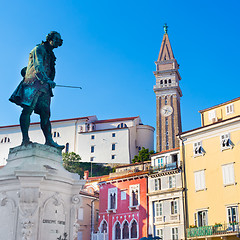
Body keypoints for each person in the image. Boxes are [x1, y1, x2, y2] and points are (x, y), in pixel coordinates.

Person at [9, 31, 64, 149]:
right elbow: (38, 65)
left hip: (45, 87)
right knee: (27, 110)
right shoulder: (38, 49)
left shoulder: (51, 54)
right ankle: (25, 139)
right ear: (50, 39)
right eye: (57, 39)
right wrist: (46, 79)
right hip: (33, 83)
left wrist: (48, 82)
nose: (58, 43)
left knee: (45, 114)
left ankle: (49, 140)